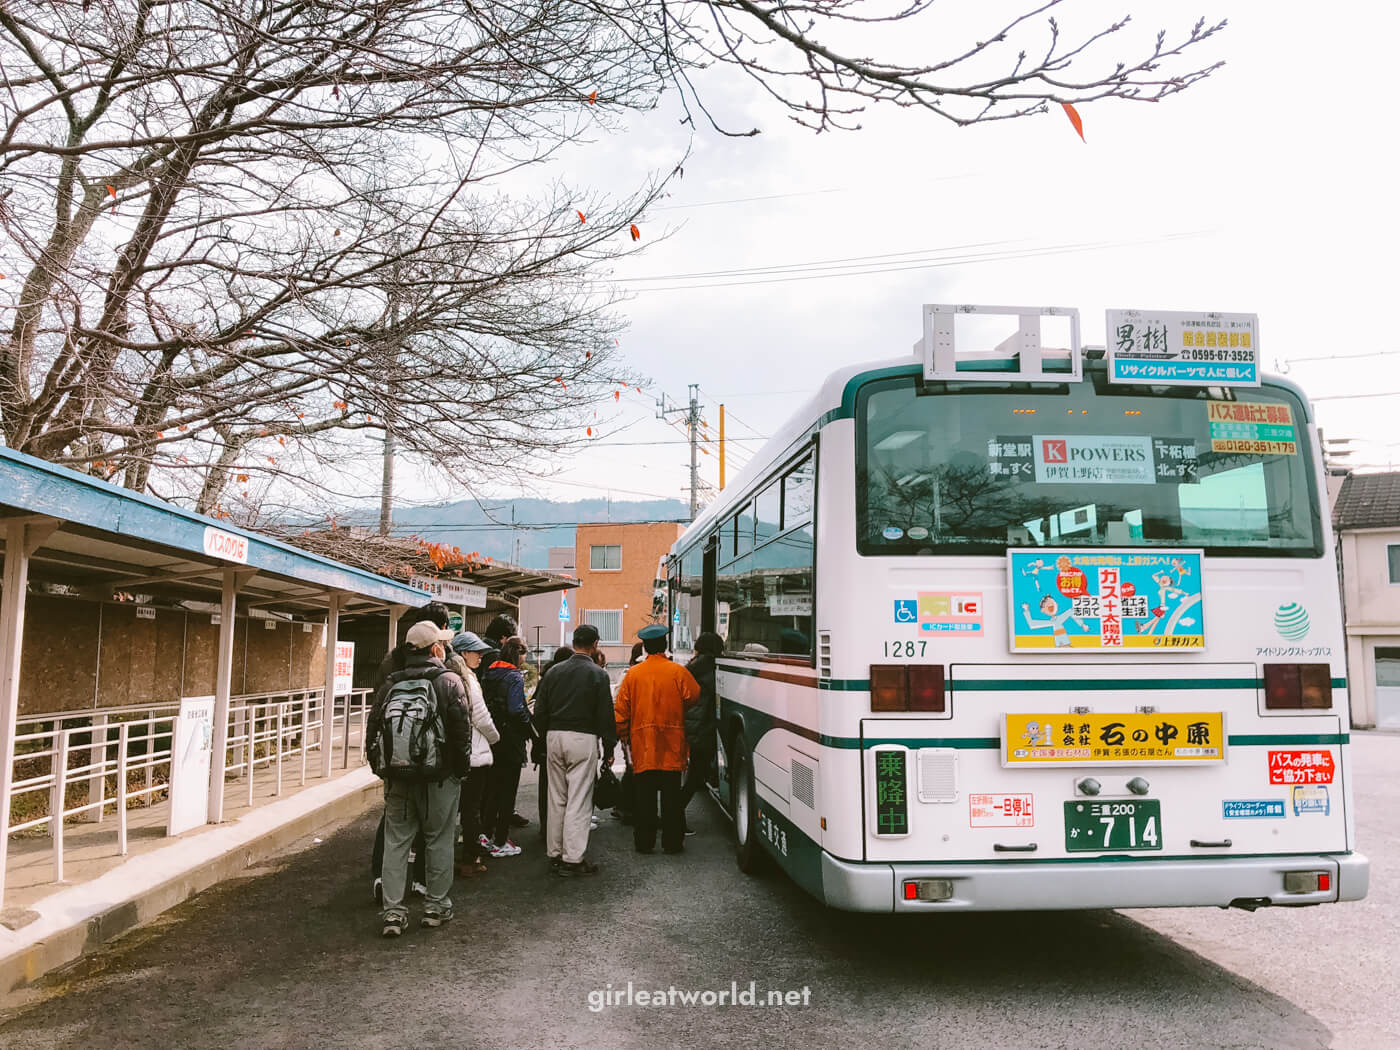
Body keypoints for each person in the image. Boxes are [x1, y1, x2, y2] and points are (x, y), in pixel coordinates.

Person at [365, 620, 473, 937]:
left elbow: (373, 733)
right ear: (435, 649)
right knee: (438, 840)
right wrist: (459, 771)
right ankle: (435, 907)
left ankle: (394, 914)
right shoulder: (449, 681)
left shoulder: (389, 684)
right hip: (439, 778)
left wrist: (384, 770)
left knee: (396, 842)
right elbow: (461, 732)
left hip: (397, 777)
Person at [369, 601, 456, 903]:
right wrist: (458, 770)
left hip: (396, 760)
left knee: (395, 831)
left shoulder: (390, 668)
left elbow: (376, 717)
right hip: (434, 765)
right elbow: (461, 726)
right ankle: (430, 894)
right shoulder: (447, 675)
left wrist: (379, 764)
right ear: (435, 642)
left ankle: (387, 893)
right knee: (436, 834)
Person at [534, 624, 616, 876]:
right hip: (583, 738)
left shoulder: (554, 671)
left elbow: (540, 711)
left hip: (554, 736)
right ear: (594, 645)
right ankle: (573, 858)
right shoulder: (597, 674)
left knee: (556, 797)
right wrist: (609, 746)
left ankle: (555, 854)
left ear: (573, 643)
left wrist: (541, 741)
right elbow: (605, 715)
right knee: (579, 800)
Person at [614, 624, 700, 855]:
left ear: (645, 647)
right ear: (665, 646)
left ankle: (644, 842)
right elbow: (693, 695)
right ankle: (672, 843)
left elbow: (621, 712)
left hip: (643, 744)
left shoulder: (633, 674)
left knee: (645, 798)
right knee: (672, 797)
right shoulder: (678, 672)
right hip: (672, 742)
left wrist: (623, 735)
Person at [450, 631, 499, 877]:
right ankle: (470, 858)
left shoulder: (446, 676)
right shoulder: (468, 679)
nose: (480, 656)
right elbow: (480, 716)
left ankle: (445, 858)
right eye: (476, 652)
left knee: (451, 810)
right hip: (475, 754)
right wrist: (495, 738)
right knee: (471, 810)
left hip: (453, 754)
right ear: (463, 653)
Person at [481, 636, 532, 857]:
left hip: (492, 738)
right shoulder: (514, 676)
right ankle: (501, 841)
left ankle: (484, 834)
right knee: (507, 791)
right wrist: (528, 723)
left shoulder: (489, 673)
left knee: (491, 789)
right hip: (511, 739)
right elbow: (515, 709)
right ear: (518, 654)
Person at [532, 646, 578, 838]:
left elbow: (538, 710)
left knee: (547, 787)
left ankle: (547, 827)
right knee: (566, 787)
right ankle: (563, 829)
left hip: (546, 741)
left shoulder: (547, 678)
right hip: (565, 738)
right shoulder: (568, 680)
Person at [681, 631, 723, 834]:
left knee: (695, 774)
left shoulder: (694, 666)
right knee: (695, 776)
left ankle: (673, 813)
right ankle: (674, 814)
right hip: (703, 728)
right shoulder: (712, 668)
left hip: (693, 726)